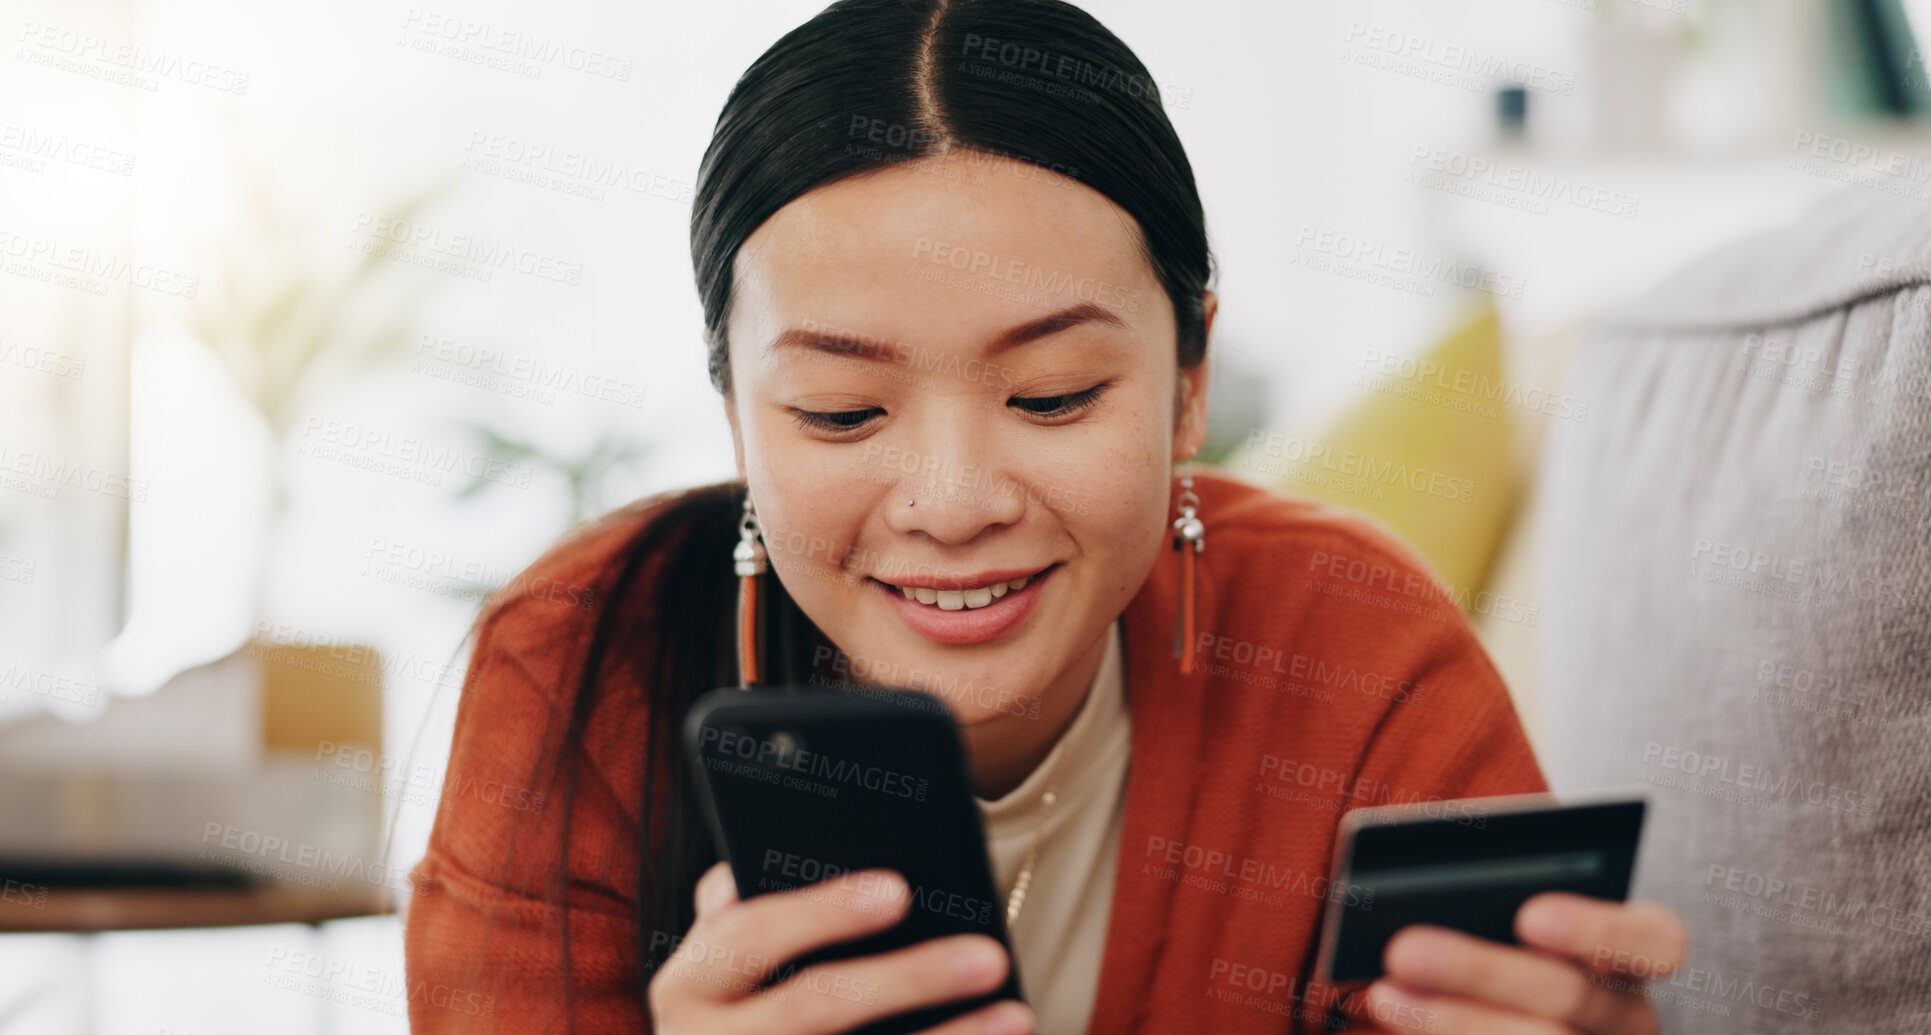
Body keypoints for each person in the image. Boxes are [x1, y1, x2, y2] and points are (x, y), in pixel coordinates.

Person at [402, 1, 1687, 1031]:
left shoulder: (1347, 641)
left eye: (1053, 395)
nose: (954, 506)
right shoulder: (573, 666)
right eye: (843, 412)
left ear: (1188, 386)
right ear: (736, 411)